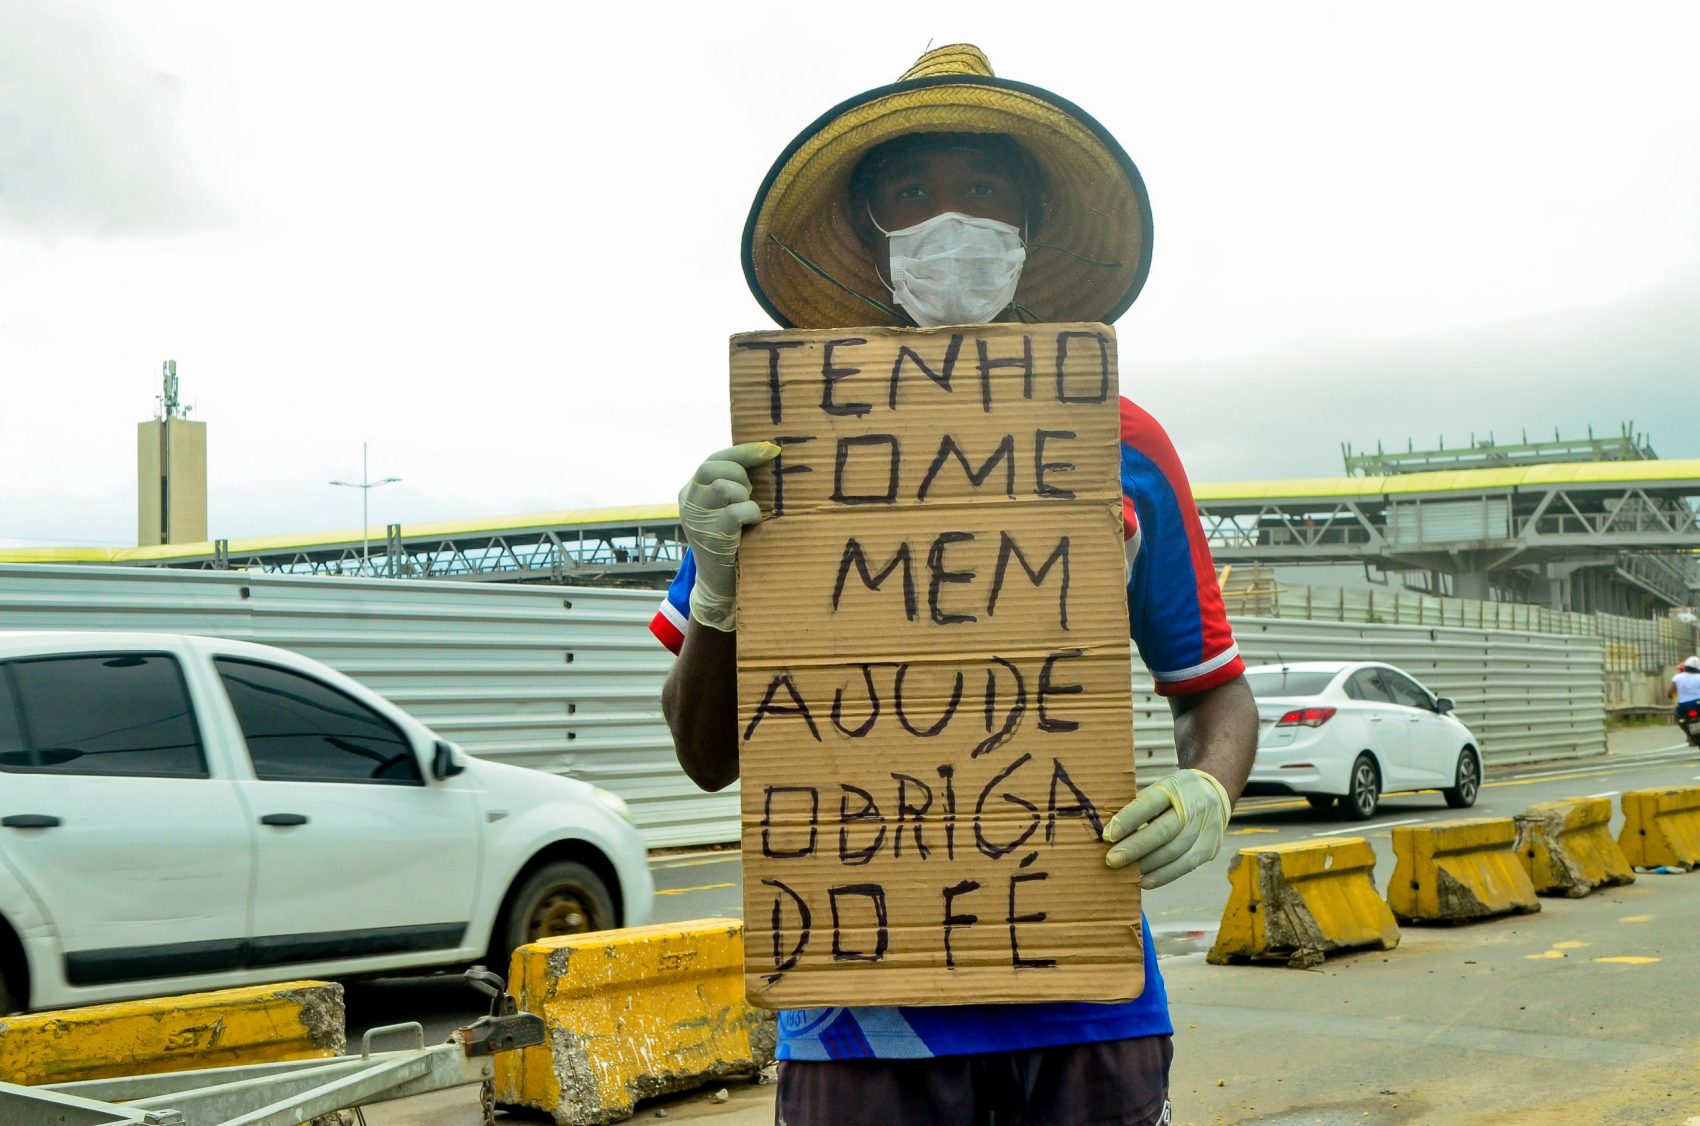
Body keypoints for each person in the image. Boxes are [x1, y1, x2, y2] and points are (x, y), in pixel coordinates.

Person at [652, 44, 1257, 1126]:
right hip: (857, 1015)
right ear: (870, 230)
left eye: (981, 190)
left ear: (1025, 227)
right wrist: (720, 594)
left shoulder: (1119, 444)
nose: (949, 219)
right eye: (910, 193)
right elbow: (706, 758)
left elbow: (1211, 686)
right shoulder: (775, 457)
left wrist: (1207, 787)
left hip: (1083, 1006)